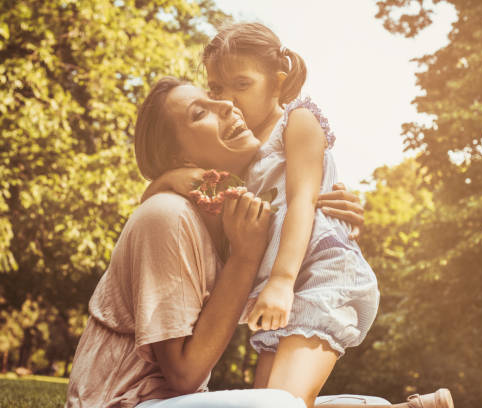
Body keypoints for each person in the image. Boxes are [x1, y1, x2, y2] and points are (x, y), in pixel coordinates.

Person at [78, 77, 454, 408]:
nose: (225, 103)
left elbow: (295, 201)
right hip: (123, 403)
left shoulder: (230, 220)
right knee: (276, 404)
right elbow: (183, 374)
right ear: (179, 157)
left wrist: (329, 213)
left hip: (180, 403)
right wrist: (245, 256)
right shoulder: (168, 216)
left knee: (279, 399)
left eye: (215, 96)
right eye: (200, 112)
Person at [145, 23, 382, 408]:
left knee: (281, 401)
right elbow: (177, 202)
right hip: (280, 291)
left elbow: (303, 199)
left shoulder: (297, 120)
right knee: (269, 401)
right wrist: (169, 177)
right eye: (218, 89)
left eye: (242, 84)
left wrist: (283, 281)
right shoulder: (242, 151)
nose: (231, 101)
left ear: (277, 81)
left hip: (320, 276)